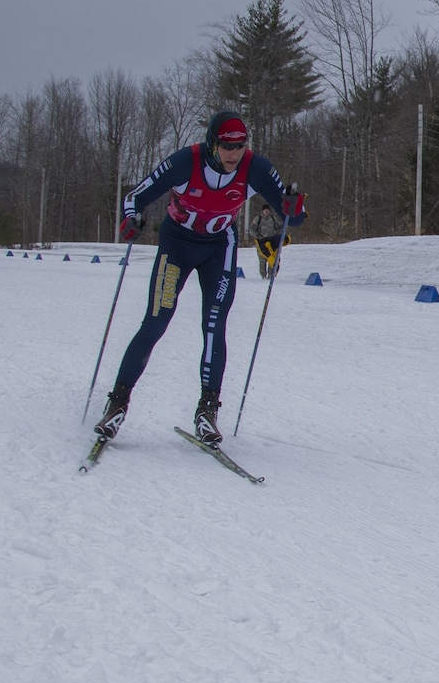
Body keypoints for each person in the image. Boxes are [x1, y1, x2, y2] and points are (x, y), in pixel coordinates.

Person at [93, 111, 306, 446]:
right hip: (176, 245)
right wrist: (131, 220)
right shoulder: (184, 163)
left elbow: (294, 218)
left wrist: (293, 206)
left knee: (214, 325)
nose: (233, 153)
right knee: (156, 321)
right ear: (212, 142)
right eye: (226, 146)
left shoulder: (256, 168)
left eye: (239, 145)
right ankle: (117, 404)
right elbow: (134, 198)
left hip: (218, 248)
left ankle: (207, 411)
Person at [253, 201, 286, 279]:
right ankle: (263, 276)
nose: (266, 211)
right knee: (262, 260)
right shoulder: (258, 219)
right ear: (262, 210)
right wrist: (258, 236)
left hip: (272, 243)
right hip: (262, 243)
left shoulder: (273, 218)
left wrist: (284, 221)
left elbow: (278, 227)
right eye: (265, 210)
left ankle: (271, 276)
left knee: (273, 258)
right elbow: (252, 230)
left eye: (267, 210)